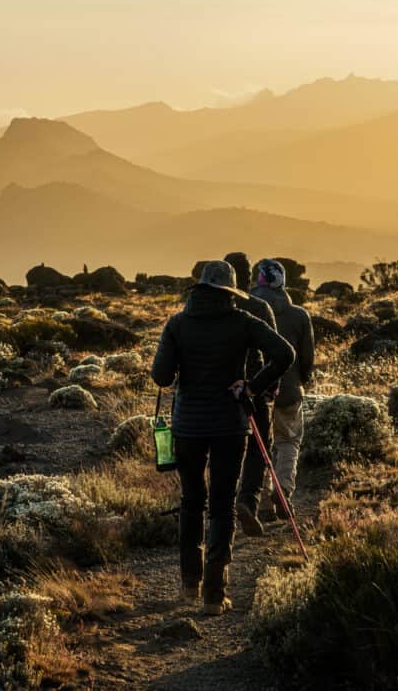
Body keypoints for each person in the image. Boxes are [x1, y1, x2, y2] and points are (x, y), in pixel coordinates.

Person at [151, 260, 294, 615]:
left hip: (187, 426)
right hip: (231, 425)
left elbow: (161, 377)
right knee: (222, 505)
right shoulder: (243, 322)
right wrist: (253, 386)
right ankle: (214, 595)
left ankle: (188, 585)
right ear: (230, 292)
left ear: (198, 288)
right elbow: (284, 354)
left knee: (191, 501)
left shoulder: (177, 324)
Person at [249, 259, 315, 520]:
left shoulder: (246, 308)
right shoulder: (299, 315)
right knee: (288, 441)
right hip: (289, 390)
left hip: (255, 391)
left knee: (258, 445)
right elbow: (307, 356)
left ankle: (263, 503)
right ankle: (284, 490)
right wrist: (302, 379)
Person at [223, 252, 278, 538]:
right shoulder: (259, 307)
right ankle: (247, 501)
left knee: (222, 449)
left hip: (218, 390)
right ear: (248, 277)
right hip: (253, 388)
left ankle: (223, 509)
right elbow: (276, 352)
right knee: (259, 448)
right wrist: (268, 386)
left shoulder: (211, 308)